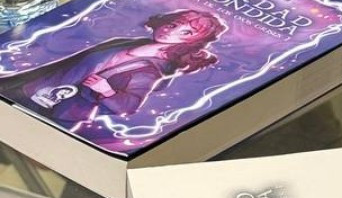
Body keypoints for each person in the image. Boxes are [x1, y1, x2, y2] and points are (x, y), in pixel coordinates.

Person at [0, 9, 225, 129]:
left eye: (186, 32)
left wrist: (106, 90)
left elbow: (128, 106)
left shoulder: (151, 70)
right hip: (32, 87)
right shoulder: (126, 41)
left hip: (56, 109)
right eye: (174, 24)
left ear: (193, 42)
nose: (170, 31)